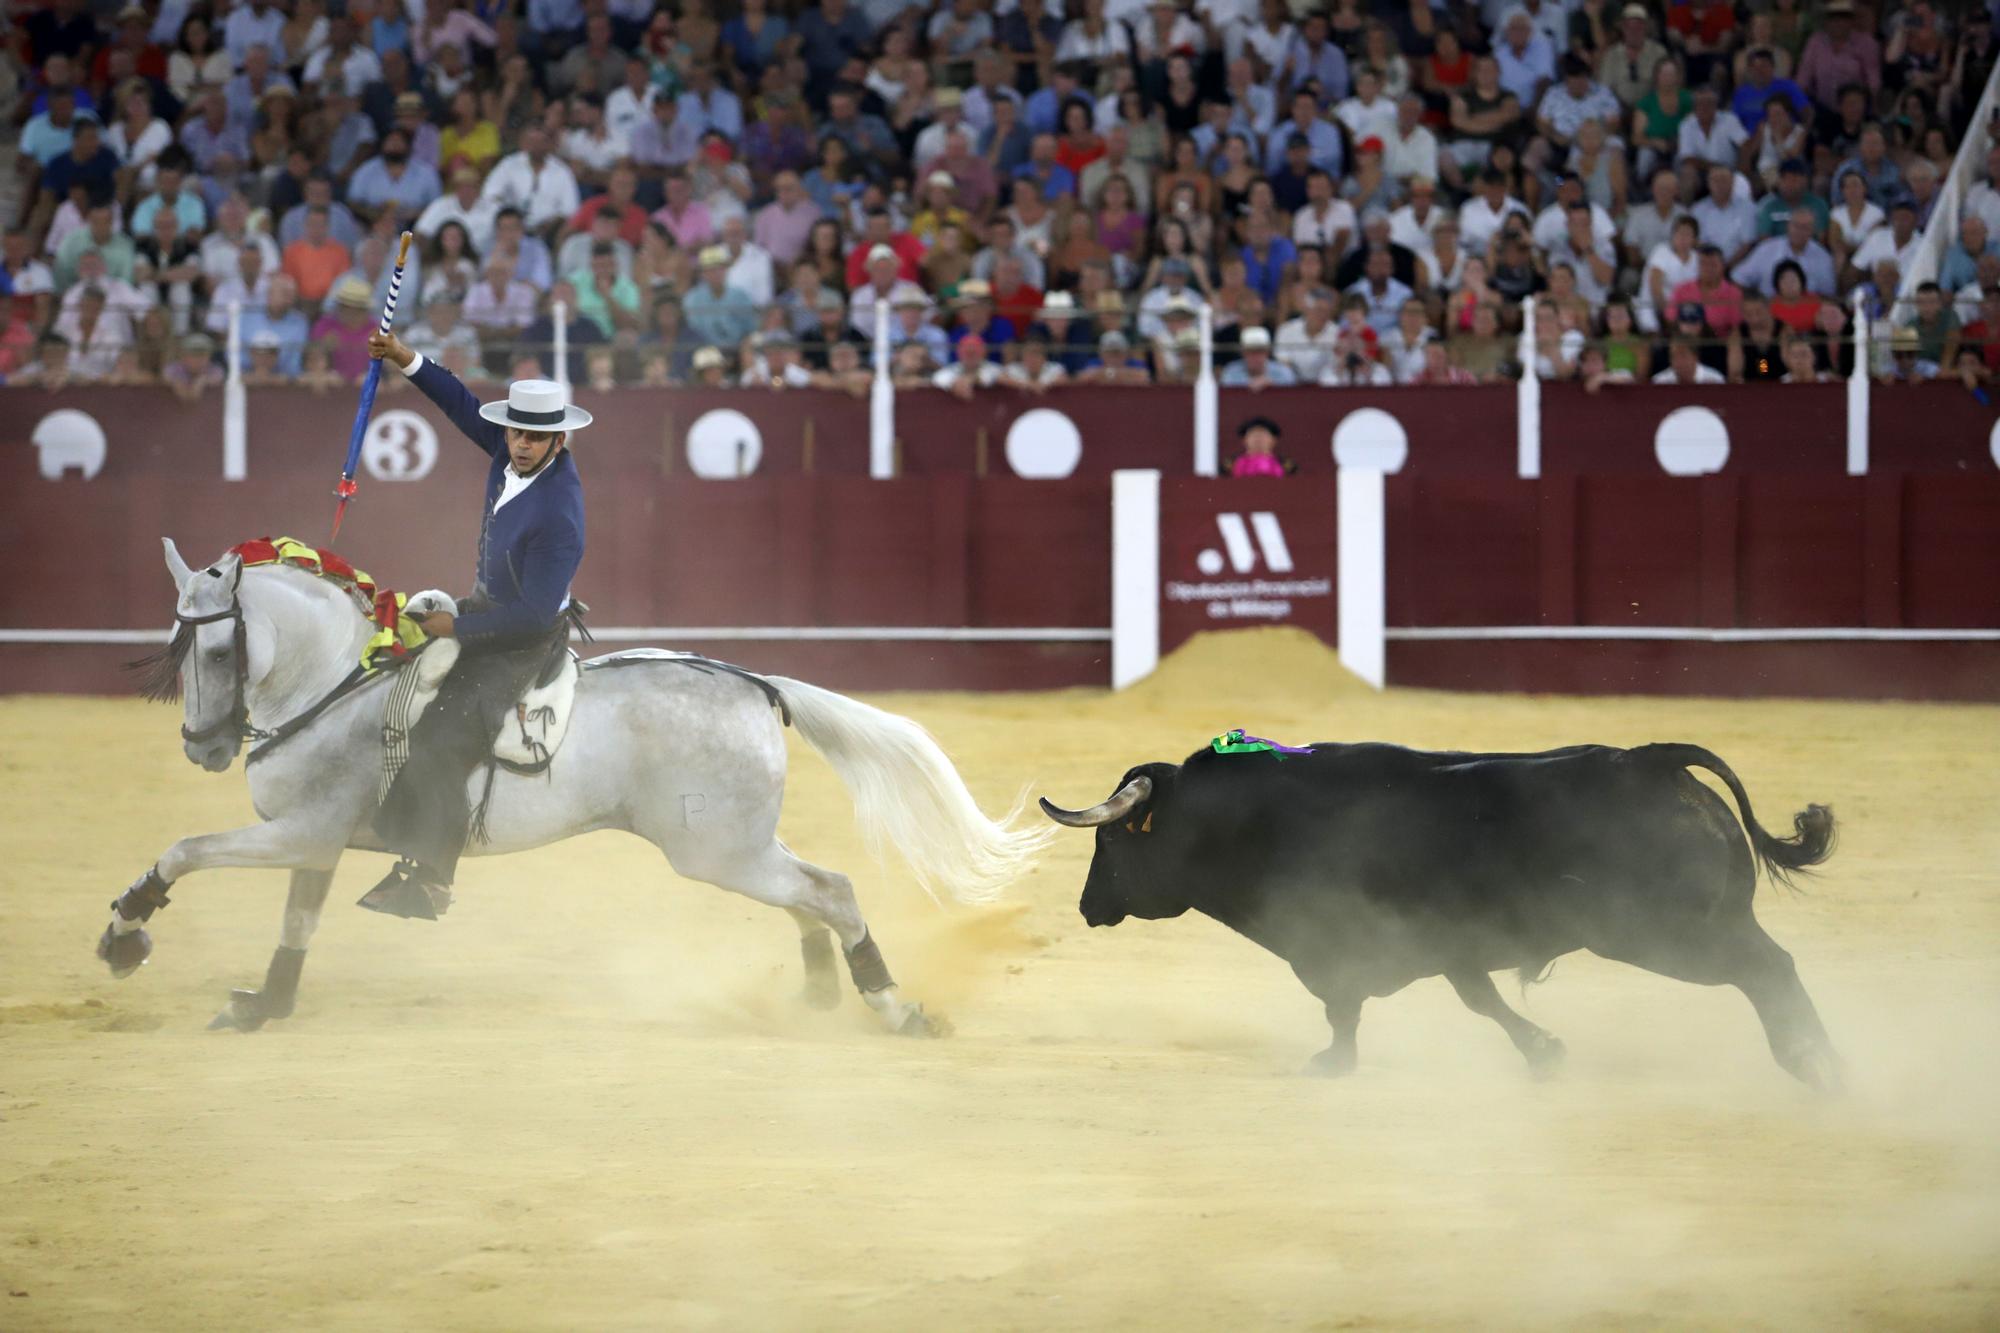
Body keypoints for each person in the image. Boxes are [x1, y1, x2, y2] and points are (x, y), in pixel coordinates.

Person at [358, 326, 593, 919]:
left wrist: (456, 629)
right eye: (516, 432)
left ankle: (433, 878)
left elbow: (535, 615)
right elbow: (457, 399)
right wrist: (403, 357)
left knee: (441, 734)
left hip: (524, 639)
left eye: (536, 438)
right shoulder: (507, 447)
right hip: (487, 607)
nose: (521, 445)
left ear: (559, 441)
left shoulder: (560, 512)